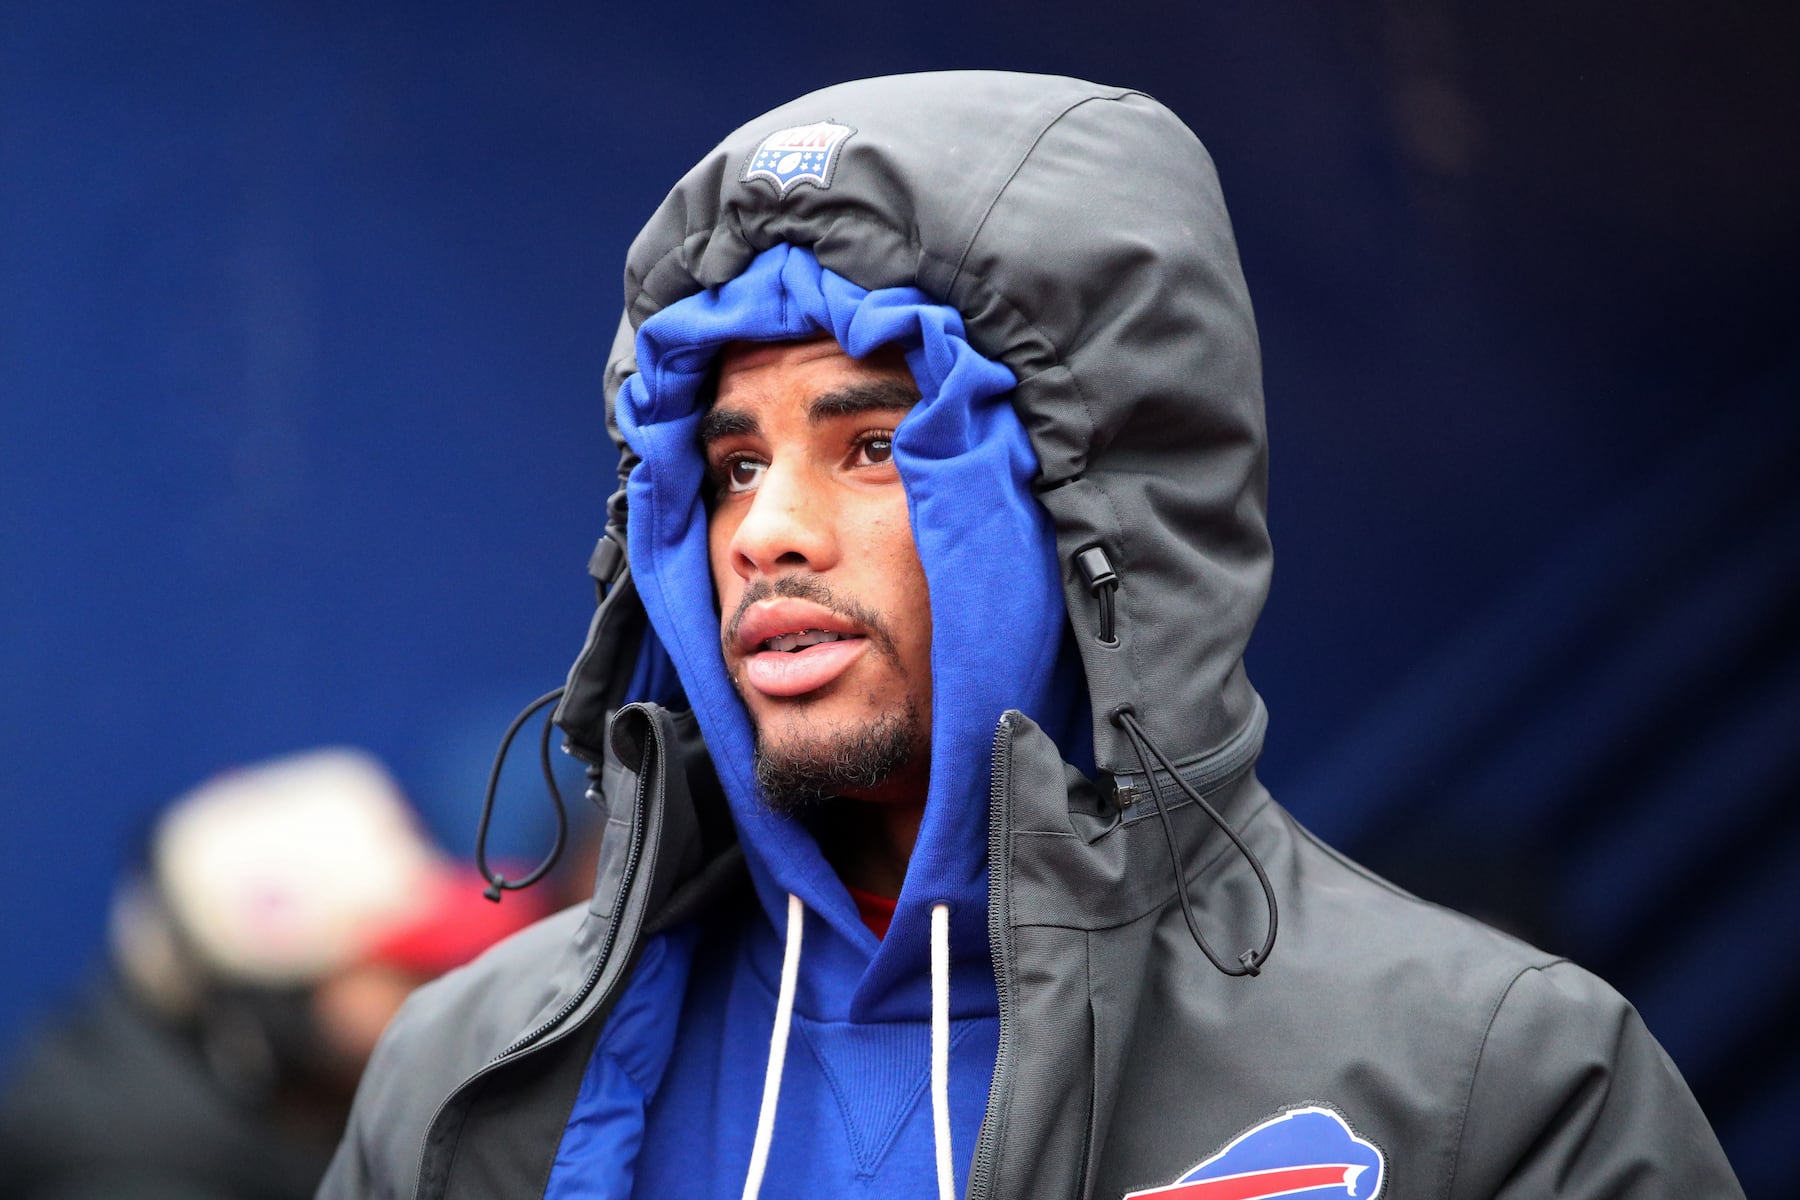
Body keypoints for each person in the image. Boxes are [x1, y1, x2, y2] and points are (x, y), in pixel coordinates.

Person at [320, 72, 1742, 1199]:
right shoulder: (474, 1076)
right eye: (735, 463)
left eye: (874, 445)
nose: (767, 533)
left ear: (1100, 503)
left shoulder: (1487, 1078)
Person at [0, 749, 547, 1200]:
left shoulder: (287, 1106)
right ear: (272, 1007)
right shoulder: (117, 1175)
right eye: (400, 971)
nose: (447, 988)